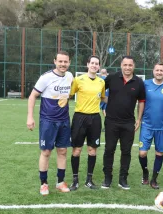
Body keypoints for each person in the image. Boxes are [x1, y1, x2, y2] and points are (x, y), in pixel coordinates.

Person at [27, 51, 73, 196]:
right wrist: (30, 117)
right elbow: (33, 95)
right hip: (48, 121)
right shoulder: (46, 77)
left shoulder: (70, 76)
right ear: (55, 61)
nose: (63, 64)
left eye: (65, 62)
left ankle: (60, 182)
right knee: (46, 152)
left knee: (63, 151)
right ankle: (44, 184)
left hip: (64, 120)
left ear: (69, 62)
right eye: (60, 61)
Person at [101, 56, 146, 190]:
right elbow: (99, 91)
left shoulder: (138, 82)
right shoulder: (112, 78)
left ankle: (123, 179)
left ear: (134, 66)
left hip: (128, 123)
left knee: (126, 152)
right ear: (121, 65)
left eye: (130, 65)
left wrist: (139, 119)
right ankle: (107, 178)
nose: (127, 67)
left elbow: (142, 101)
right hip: (111, 121)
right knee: (109, 150)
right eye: (125, 65)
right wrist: (108, 102)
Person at [138, 62, 163, 189]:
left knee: (159, 153)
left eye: (162, 70)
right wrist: (138, 119)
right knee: (142, 153)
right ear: (153, 71)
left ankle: (154, 179)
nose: (159, 72)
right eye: (157, 70)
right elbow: (139, 100)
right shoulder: (145, 84)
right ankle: (145, 173)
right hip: (147, 125)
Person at [68, 55, 106, 191]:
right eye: (92, 63)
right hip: (80, 118)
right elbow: (69, 95)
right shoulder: (78, 80)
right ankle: (75, 180)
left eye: (97, 64)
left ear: (99, 66)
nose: (94, 65)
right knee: (77, 150)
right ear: (87, 64)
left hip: (95, 118)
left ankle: (89, 180)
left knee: (92, 150)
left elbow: (102, 98)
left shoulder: (101, 82)